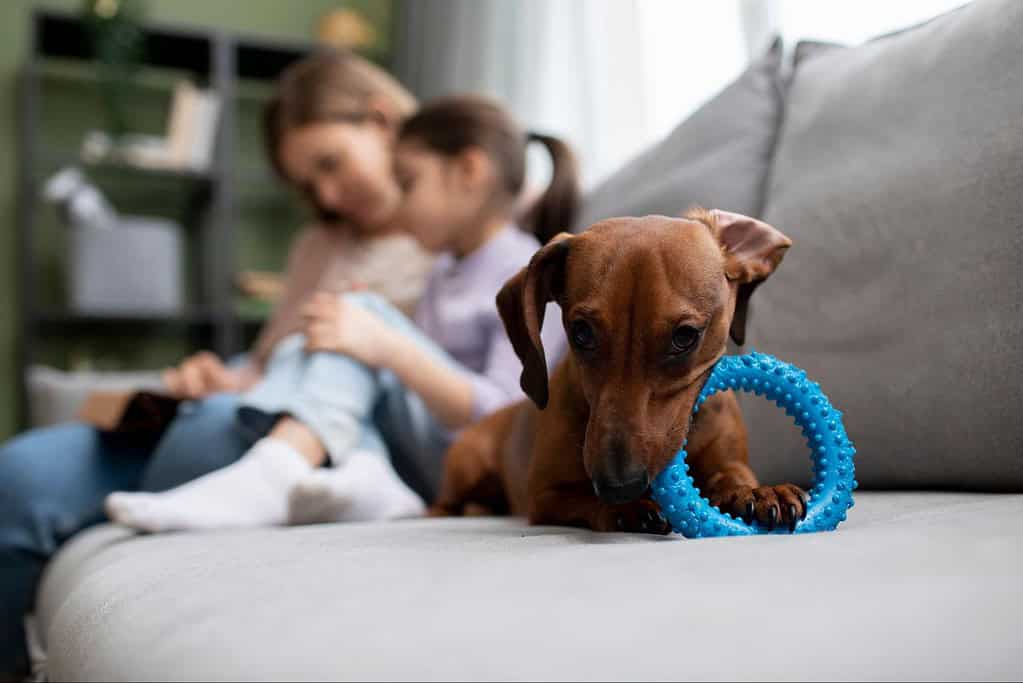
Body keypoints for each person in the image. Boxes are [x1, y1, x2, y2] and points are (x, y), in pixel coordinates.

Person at [0, 49, 433, 679]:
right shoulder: (319, 241)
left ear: (382, 120)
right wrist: (217, 377)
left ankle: (259, 473)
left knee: (210, 429)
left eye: (330, 165)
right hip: (239, 409)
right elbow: (266, 362)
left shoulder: (453, 237)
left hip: (328, 442)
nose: (328, 195)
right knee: (17, 471)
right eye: (309, 185)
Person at [103, 94, 577, 533]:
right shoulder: (443, 272)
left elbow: (503, 415)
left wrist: (387, 343)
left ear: (469, 171)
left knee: (359, 317)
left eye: (408, 183)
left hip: (476, 463)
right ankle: (367, 476)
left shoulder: (529, 276)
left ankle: (274, 470)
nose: (400, 203)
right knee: (331, 332)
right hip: (423, 451)